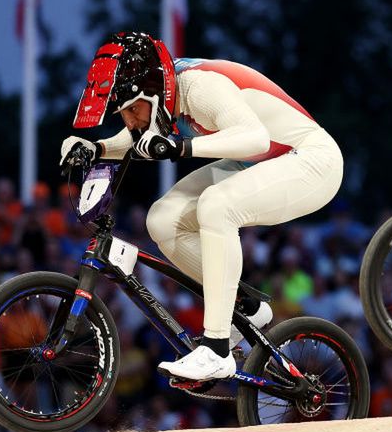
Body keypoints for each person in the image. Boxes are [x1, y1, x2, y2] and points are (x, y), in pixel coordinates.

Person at [60, 32, 343, 380]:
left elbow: (254, 137)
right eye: (123, 114)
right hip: (260, 161)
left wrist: (182, 148)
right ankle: (248, 309)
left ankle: (217, 350)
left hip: (312, 161)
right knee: (162, 220)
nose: (131, 121)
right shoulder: (163, 95)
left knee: (216, 205)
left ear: (154, 91)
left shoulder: (200, 87)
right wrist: (97, 148)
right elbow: (137, 137)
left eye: (133, 109)